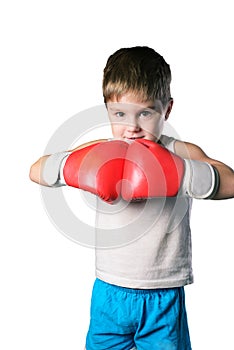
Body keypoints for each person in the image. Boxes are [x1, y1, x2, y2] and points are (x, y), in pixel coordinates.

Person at [29, 46, 234, 349]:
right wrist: (74, 167)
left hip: (162, 293)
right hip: (109, 290)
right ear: (108, 110)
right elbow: (36, 171)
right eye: (120, 114)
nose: (132, 127)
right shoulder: (102, 151)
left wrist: (181, 173)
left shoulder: (179, 152)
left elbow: (230, 183)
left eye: (146, 113)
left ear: (167, 109)